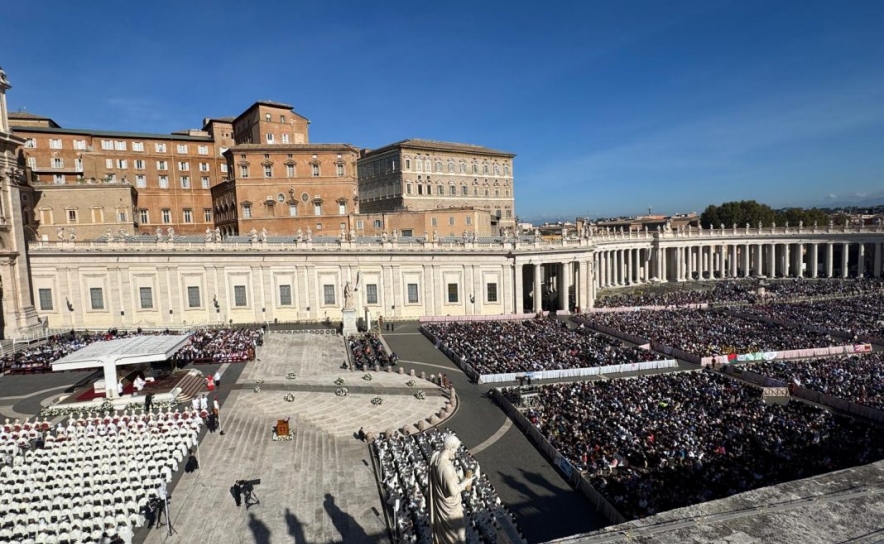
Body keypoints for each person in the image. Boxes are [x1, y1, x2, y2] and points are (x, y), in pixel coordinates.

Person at [428, 434, 476, 544]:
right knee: (459, 537)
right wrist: (465, 483)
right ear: (450, 448)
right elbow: (453, 491)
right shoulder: (445, 467)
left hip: (445, 506)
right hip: (450, 511)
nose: (456, 452)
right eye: (455, 449)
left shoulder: (437, 457)